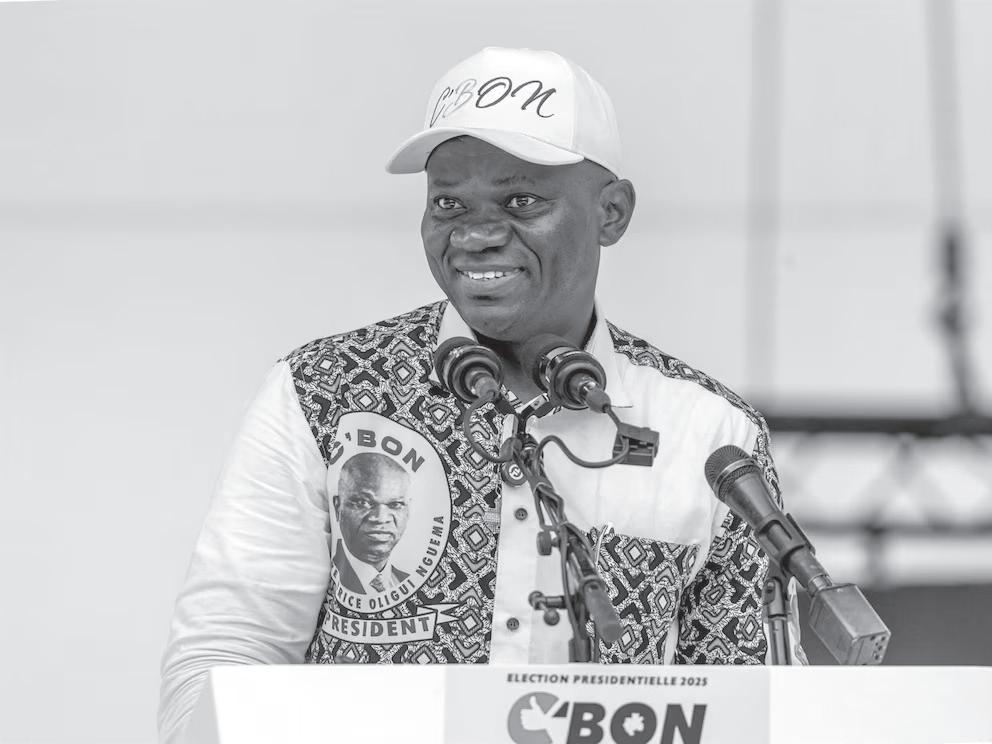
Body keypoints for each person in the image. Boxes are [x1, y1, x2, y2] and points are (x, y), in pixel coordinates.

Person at [159, 46, 802, 743]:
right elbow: (225, 659)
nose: (476, 234)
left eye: (521, 201)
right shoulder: (324, 391)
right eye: (448, 203)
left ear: (612, 212)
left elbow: (753, 706)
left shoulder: (708, 433)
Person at [332, 452, 412, 594]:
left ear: (408, 510)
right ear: (338, 507)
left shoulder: (408, 582)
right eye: (362, 502)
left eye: (395, 504)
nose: (381, 518)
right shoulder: (324, 574)